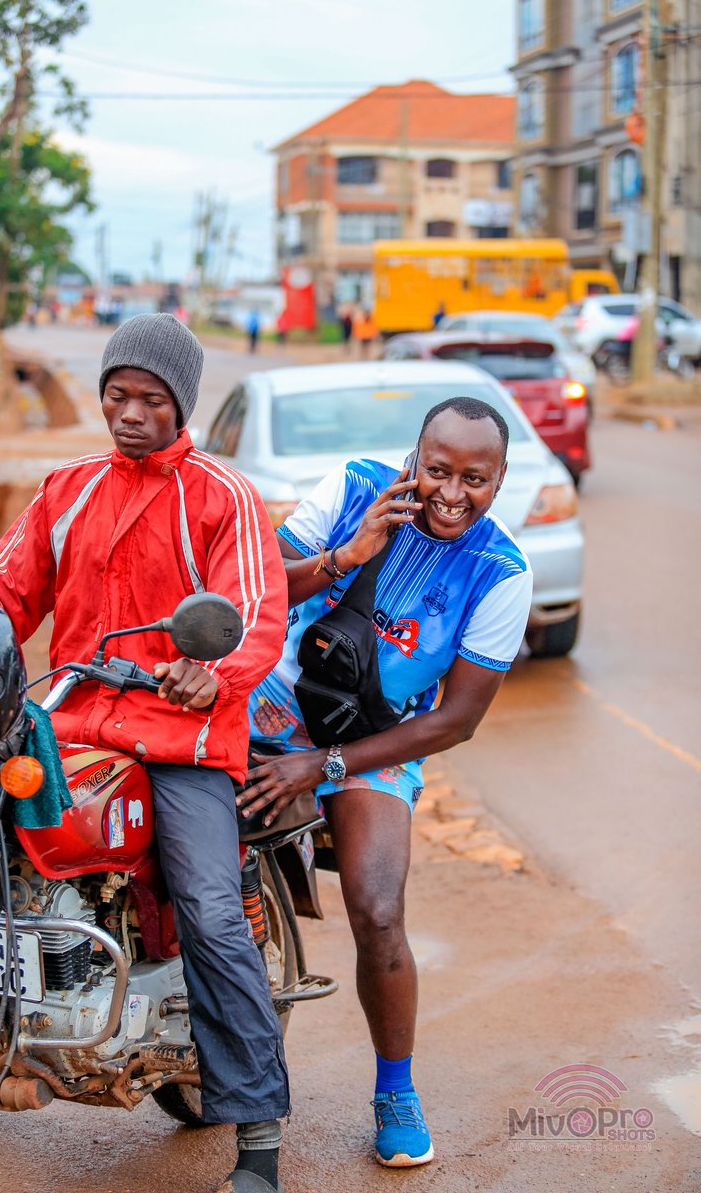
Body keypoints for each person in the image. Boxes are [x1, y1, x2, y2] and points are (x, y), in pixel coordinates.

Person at [0, 314, 291, 1193]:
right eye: (118, 395)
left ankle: (257, 1130)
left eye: (152, 399)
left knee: (215, 914)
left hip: (181, 734)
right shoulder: (65, 488)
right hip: (70, 726)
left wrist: (207, 671)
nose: (131, 413)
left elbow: (255, 607)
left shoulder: (222, 494)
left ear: (182, 402)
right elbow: (0, 589)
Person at [238, 396, 532, 1170]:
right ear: (413, 459)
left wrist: (323, 766)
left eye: (477, 478)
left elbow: (455, 721)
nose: (452, 493)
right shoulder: (353, 489)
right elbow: (257, 593)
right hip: (267, 702)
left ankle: (395, 1092)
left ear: (499, 481)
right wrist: (350, 552)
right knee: (167, 830)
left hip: (374, 742)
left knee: (376, 909)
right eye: (437, 470)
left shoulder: (500, 572)